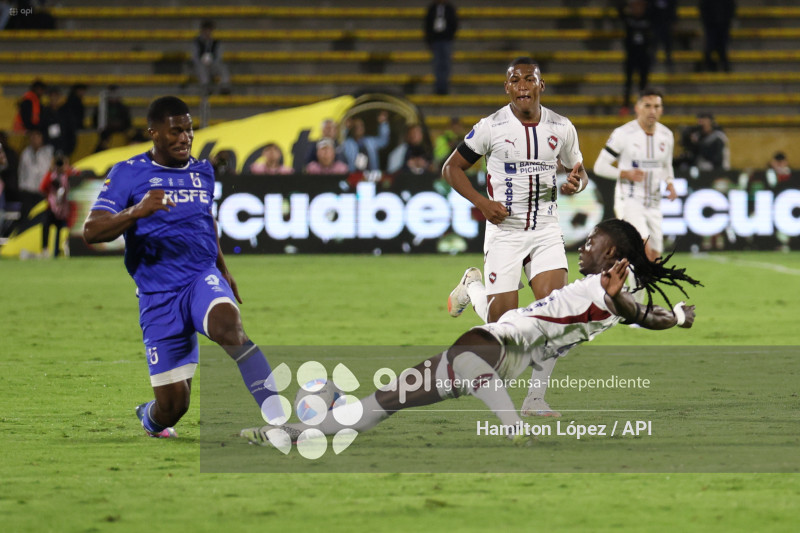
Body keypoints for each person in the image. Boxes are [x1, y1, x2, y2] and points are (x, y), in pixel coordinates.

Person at [242, 219, 700, 447]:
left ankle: (512, 424)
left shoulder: (608, 287)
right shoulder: (615, 293)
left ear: (613, 253)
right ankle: (295, 433)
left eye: (593, 240)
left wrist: (644, 307)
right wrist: (677, 317)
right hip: (507, 352)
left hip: (499, 346)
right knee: (384, 402)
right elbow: (645, 315)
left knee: (459, 360)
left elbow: (631, 308)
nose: (584, 245)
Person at [82, 96, 282, 438]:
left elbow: (206, 221)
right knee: (174, 407)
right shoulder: (128, 173)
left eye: (189, 130)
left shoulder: (202, 171)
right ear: (154, 133)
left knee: (229, 328)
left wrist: (223, 269)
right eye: (175, 131)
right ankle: (150, 418)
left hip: (199, 278)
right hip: (158, 294)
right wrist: (136, 211)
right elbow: (91, 231)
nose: (185, 138)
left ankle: (280, 420)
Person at [442, 57, 589, 417]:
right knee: (503, 331)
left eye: (530, 79)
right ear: (507, 88)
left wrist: (576, 183)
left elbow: (579, 170)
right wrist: (482, 203)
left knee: (556, 314)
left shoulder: (561, 126)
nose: (523, 85)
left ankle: (534, 399)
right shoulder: (490, 127)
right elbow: (451, 168)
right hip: (505, 232)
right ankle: (472, 288)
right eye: (515, 80)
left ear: (541, 85)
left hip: (545, 230)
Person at [594, 88, 677, 264]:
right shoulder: (623, 134)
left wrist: (669, 183)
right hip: (630, 200)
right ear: (637, 108)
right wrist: (624, 173)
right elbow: (599, 167)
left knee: (655, 258)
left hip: (654, 202)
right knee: (643, 249)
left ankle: (630, 281)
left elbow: (666, 165)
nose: (652, 111)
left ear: (661, 110)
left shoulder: (666, 135)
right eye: (647, 106)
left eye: (656, 106)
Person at [39, 152, 78, 258]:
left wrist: (67, 169)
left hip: (67, 209)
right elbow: (42, 187)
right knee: (45, 224)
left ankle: (65, 248)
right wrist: (51, 170)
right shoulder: (52, 175)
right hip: (52, 208)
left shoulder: (69, 173)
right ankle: (45, 249)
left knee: (68, 227)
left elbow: (78, 175)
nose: (60, 165)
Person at [618, 0, 653, 114]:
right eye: (634, 6)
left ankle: (642, 106)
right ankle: (625, 106)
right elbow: (620, 10)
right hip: (631, 55)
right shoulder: (629, 19)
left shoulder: (648, 18)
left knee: (643, 83)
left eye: (640, 6)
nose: (637, 9)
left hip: (643, 56)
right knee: (628, 82)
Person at [424, 0, 458, 95]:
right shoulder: (432, 8)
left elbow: (454, 23)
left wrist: (450, 36)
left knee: (445, 64)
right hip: (435, 40)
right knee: (437, 64)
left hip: (446, 39)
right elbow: (428, 24)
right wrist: (429, 38)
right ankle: (439, 87)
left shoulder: (449, 8)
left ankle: (444, 87)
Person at [192, 19, 231, 95]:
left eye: (209, 30)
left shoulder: (215, 42)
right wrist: (202, 61)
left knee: (222, 67)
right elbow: (194, 57)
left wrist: (212, 62)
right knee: (201, 68)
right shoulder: (197, 42)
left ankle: (225, 85)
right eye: (205, 30)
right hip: (201, 65)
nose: (207, 33)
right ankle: (206, 87)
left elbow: (219, 56)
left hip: (212, 64)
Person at [700, 0, 736, 72]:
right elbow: (703, 8)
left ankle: (721, 66)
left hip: (722, 25)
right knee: (712, 46)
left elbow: (731, 7)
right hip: (713, 25)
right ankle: (716, 65)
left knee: (720, 46)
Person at [649, 0, 678, 70]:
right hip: (655, 23)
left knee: (668, 43)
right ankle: (652, 59)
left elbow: (673, 9)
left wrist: (674, 21)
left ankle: (668, 59)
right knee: (653, 42)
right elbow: (649, 9)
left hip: (666, 22)